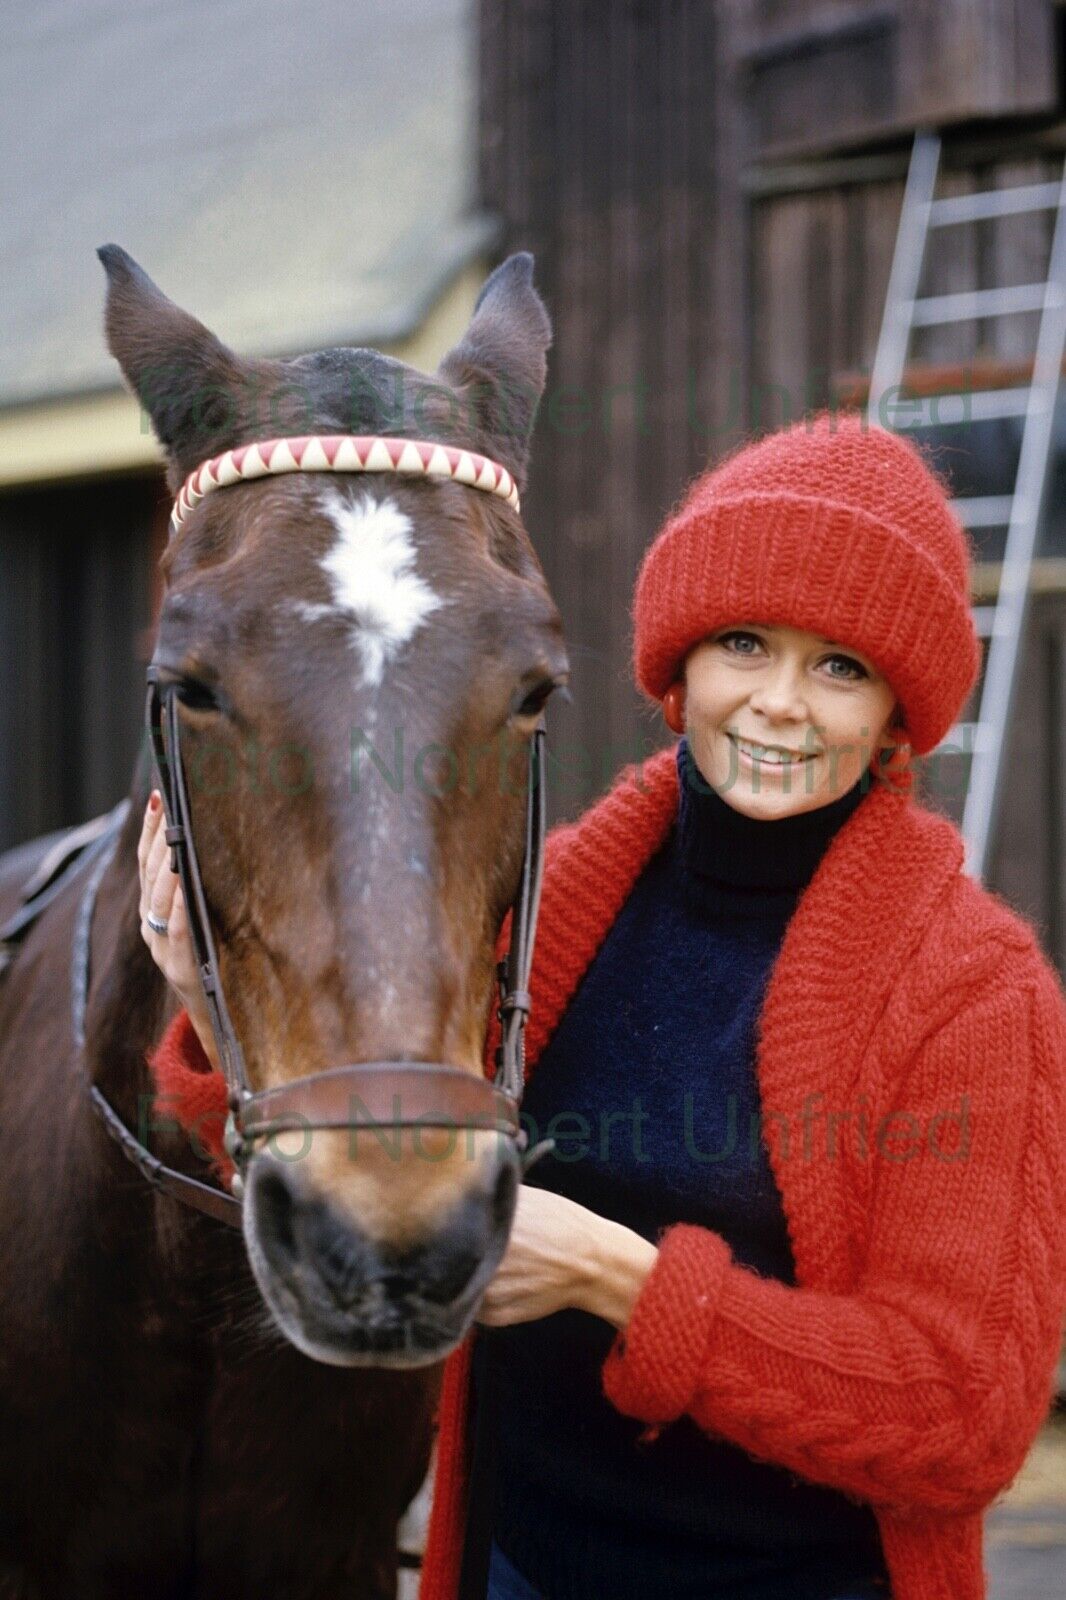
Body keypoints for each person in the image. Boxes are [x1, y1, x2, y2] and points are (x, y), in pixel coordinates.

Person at [140, 412, 1066, 1600]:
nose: (781, 703)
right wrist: (206, 1012)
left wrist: (616, 1276)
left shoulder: (972, 991)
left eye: (840, 666)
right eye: (744, 642)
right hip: (516, 1563)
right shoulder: (549, 904)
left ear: (898, 712)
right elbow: (372, 1184)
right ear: (678, 664)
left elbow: (961, 1419)